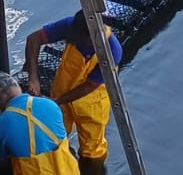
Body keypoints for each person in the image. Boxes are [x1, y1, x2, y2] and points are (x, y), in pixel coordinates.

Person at [24, 10, 122, 161]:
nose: (76, 41)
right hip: (62, 89)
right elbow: (33, 39)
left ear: (93, 37)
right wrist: (33, 77)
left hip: (92, 102)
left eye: (81, 39)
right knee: (52, 134)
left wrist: (57, 101)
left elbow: (89, 86)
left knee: (92, 150)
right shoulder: (72, 25)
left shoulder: (112, 51)